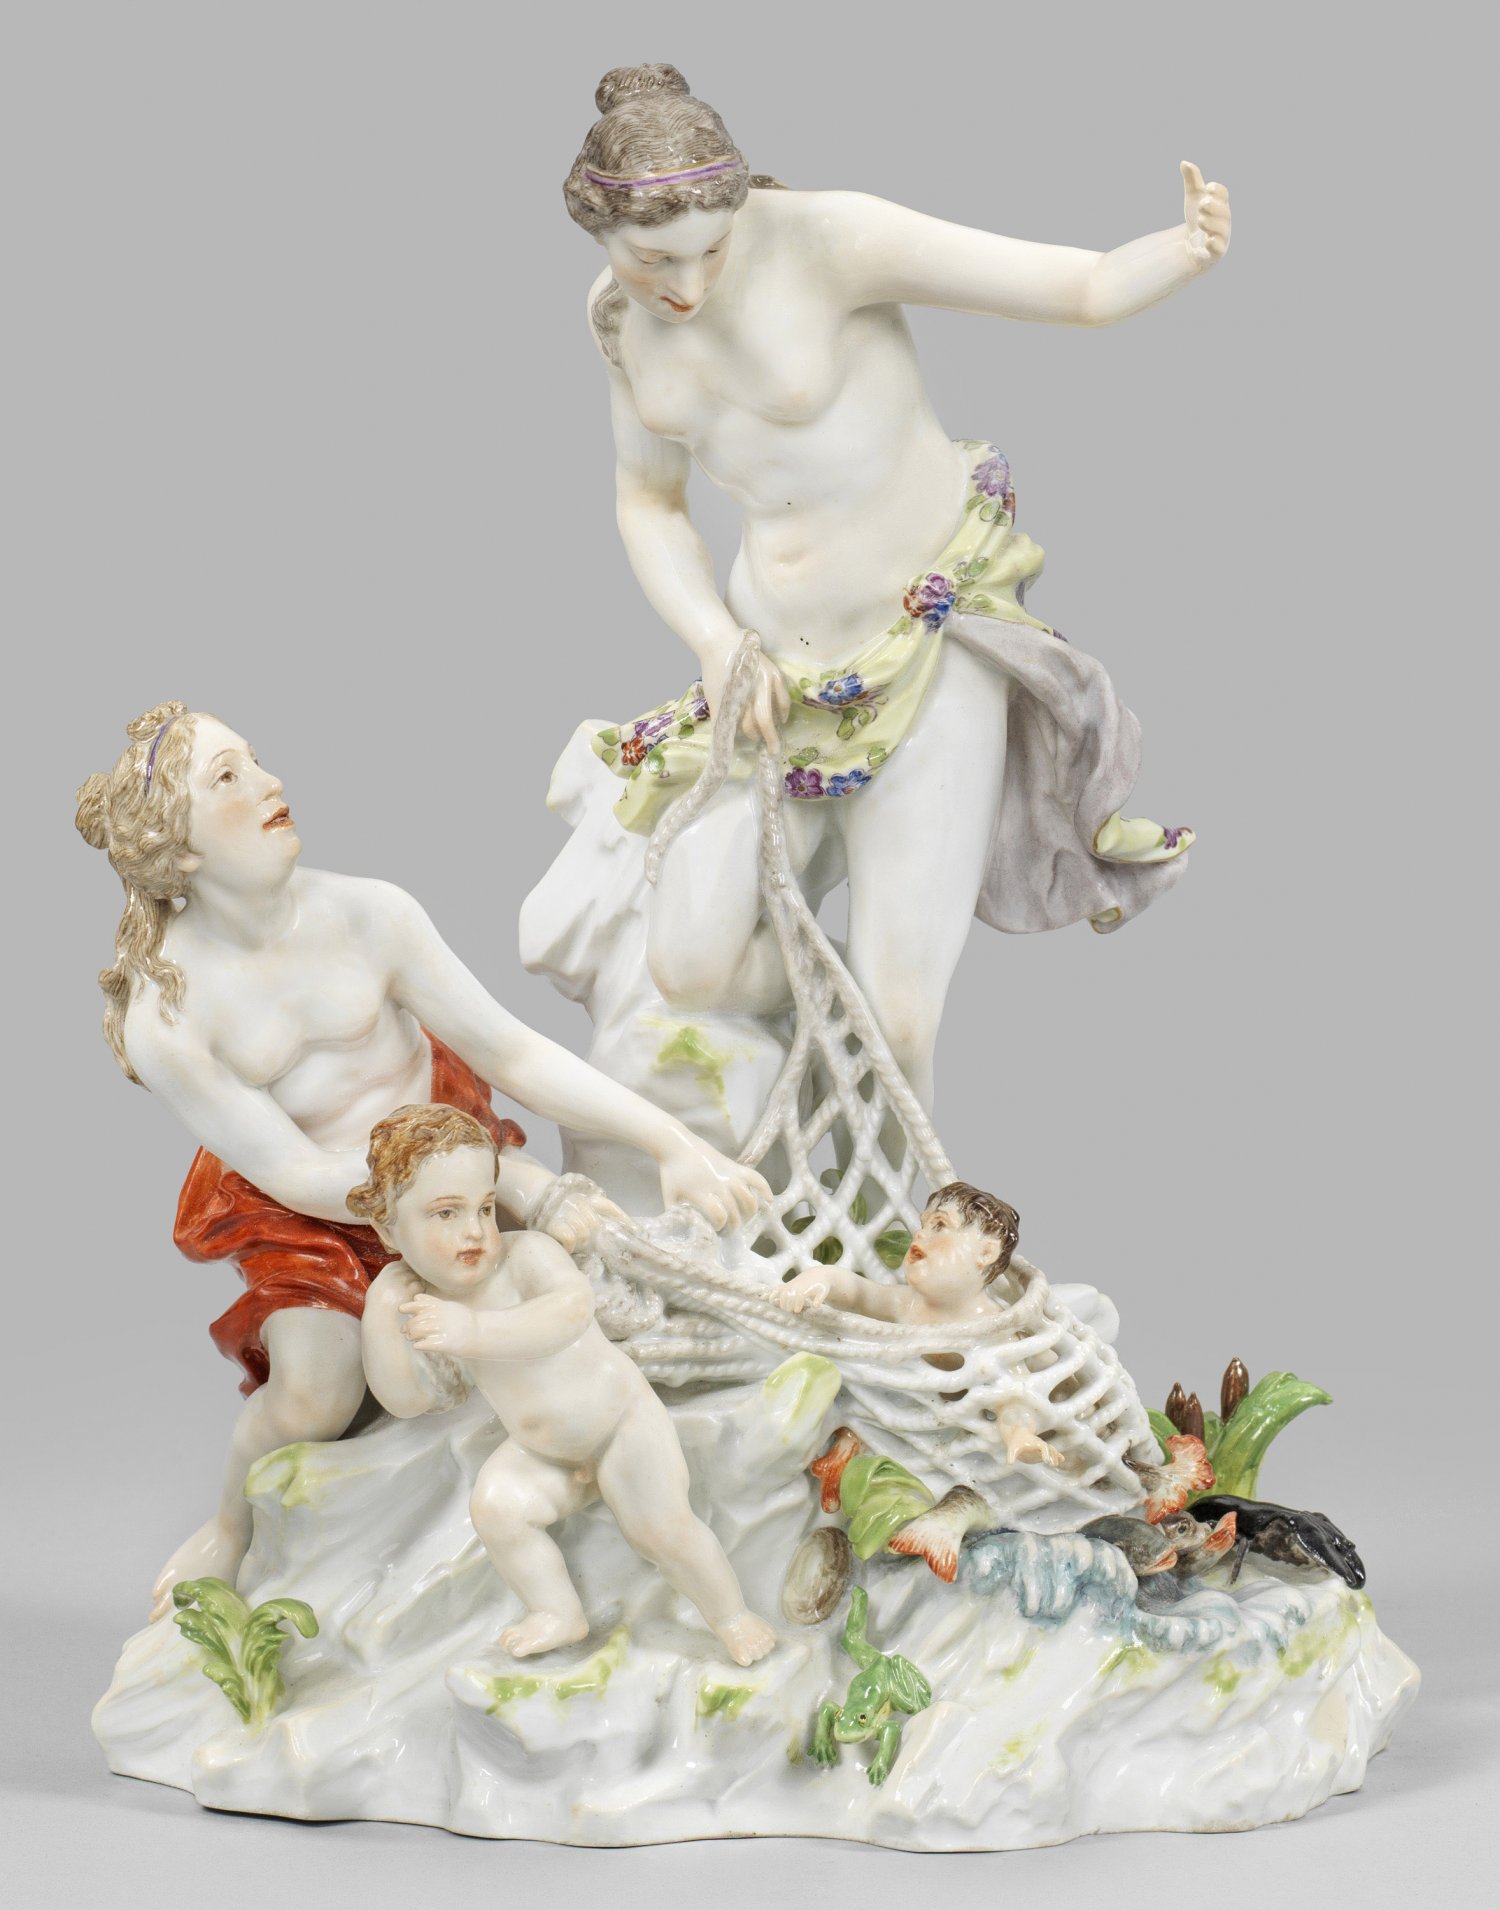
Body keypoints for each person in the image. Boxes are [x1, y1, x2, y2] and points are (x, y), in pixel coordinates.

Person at [560, 64, 1228, 1106]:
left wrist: (1183, 248)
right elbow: (648, 501)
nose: (686, 287)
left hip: (924, 638)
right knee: (688, 966)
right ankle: (805, 1075)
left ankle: (869, 1169)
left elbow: (1082, 289)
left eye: (711, 250)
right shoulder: (616, 316)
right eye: (653, 262)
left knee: (902, 1021)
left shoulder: (831, 239)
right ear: (601, 230)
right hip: (770, 664)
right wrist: (713, 639)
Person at [76, 702, 770, 1617]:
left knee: (589, 1258)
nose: (273, 782)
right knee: (314, 1396)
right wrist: (483, 1186)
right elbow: (296, 1174)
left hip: (455, 1161)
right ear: (180, 849)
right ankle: (231, 1527)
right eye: (229, 778)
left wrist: (668, 1141)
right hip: (319, 1211)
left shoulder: (371, 914)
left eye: (257, 758)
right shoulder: (167, 1012)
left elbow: (513, 1053)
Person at [353, 1103, 777, 1665]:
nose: (475, 1230)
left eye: (485, 1207)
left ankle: (732, 1616)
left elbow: (569, 1313)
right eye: (446, 1213)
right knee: (497, 1509)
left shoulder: (526, 1257)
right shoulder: (428, 1301)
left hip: (621, 1428)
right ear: (388, 1228)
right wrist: (380, 1311)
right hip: (545, 1453)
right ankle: (556, 1611)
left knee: (661, 1529)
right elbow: (408, 1400)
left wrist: (473, 1330)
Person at [777, 1181, 1062, 1468]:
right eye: (924, 1224)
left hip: (963, 1429)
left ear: (985, 1254)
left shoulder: (993, 1330)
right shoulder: (907, 1304)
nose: (920, 1233)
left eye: (940, 1225)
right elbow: (860, 1292)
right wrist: (821, 1278)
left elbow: (1014, 1395)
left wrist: (1020, 1435)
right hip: (914, 1413)